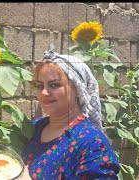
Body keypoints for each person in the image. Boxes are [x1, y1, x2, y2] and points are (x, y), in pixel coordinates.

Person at [20, 45, 120, 179]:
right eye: (40, 86)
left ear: (78, 90)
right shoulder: (34, 127)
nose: (44, 92)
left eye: (54, 85)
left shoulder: (91, 143)